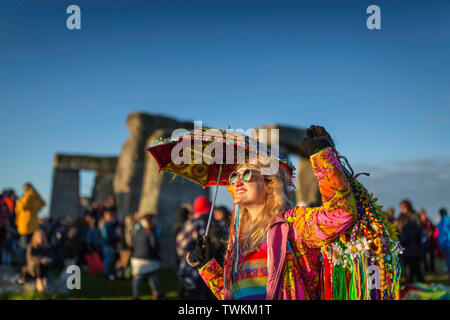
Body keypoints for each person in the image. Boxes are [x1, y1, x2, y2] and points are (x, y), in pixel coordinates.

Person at [188, 125, 358, 300]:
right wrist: (208, 268)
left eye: (246, 175)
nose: (237, 182)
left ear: (270, 184)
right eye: (234, 177)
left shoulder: (293, 224)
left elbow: (341, 213)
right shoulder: (238, 240)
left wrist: (323, 155)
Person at [176, 196, 215, 299]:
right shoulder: (210, 222)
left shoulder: (191, 222)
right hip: (208, 265)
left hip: (192, 264)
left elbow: (180, 243)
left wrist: (184, 254)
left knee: (194, 294)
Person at [130, 214, 163, 299]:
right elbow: (154, 244)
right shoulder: (151, 230)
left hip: (136, 258)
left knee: (137, 278)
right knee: (153, 276)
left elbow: (132, 242)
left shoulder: (137, 229)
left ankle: (136, 296)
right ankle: (156, 293)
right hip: (149, 258)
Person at [15, 183, 46, 264]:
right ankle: (32, 266)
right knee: (32, 247)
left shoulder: (28, 196)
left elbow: (24, 206)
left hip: (25, 226)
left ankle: (24, 267)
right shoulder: (36, 197)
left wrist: (19, 202)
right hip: (34, 225)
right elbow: (43, 203)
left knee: (25, 248)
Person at [173, 205, 192, 298]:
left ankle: (182, 294)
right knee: (186, 274)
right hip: (185, 254)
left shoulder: (176, 225)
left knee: (182, 275)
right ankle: (183, 294)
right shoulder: (186, 226)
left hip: (178, 253)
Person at [98, 210, 118, 279]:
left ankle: (106, 272)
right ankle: (104, 273)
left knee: (110, 258)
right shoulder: (105, 224)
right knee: (107, 259)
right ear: (106, 217)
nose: (110, 217)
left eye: (111, 216)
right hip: (107, 244)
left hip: (110, 244)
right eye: (109, 216)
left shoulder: (110, 224)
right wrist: (115, 237)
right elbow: (106, 236)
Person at [419, 208, 436, 273]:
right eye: (422, 215)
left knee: (432, 257)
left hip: (430, 242)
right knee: (424, 257)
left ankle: (432, 269)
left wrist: (429, 233)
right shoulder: (420, 223)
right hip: (423, 243)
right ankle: (426, 269)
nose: (423, 217)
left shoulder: (429, 222)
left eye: (424, 215)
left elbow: (433, 230)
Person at [437, 208, 450, 277]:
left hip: (447, 244)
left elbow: (443, 233)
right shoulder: (448, 219)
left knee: (448, 260)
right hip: (447, 242)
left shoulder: (443, 221)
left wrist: (442, 245)